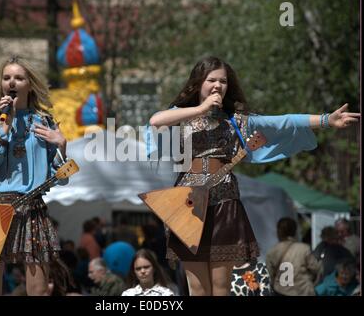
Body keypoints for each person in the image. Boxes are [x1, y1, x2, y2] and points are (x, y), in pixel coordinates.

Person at [147, 56, 359, 296]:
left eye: (223, 81)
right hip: (188, 206)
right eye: (211, 80)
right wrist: (202, 109)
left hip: (224, 204)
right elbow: (155, 121)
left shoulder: (237, 121)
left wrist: (325, 120)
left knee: (220, 288)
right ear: (198, 83)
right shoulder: (182, 115)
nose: (218, 85)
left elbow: (283, 122)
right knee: (197, 288)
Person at [0, 55, 69, 296]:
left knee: (37, 287)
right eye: (7, 78)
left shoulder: (44, 121)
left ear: (30, 84)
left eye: (18, 77)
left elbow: (61, 178)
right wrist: (5, 128)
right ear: (1, 84)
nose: (12, 82)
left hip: (31, 206)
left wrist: (62, 146)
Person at [266, 217, 322, 296]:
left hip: (280, 291)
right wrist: (311, 283)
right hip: (303, 291)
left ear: (278, 232)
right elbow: (317, 269)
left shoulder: (272, 252)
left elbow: (270, 277)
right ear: (295, 232)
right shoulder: (304, 249)